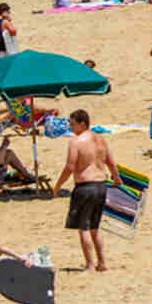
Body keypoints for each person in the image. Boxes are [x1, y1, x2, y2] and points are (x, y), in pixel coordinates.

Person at [53, 109, 119, 272]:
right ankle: (102, 263)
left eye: (73, 124)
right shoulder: (101, 139)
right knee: (95, 227)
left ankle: (90, 264)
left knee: (83, 227)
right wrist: (117, 178)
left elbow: (70, 167)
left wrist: (58, 186)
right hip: (101, 185)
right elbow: (111, 163)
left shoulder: (76, 142)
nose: (71, 127)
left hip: (85, 186)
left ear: (82, 124)